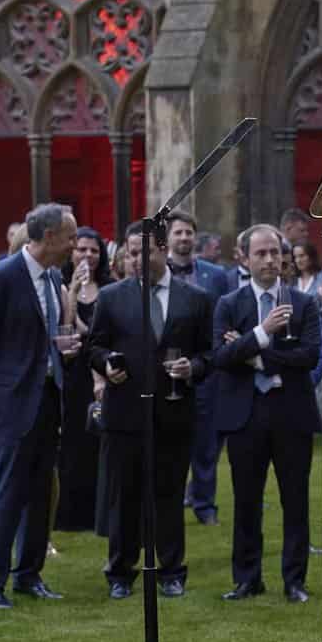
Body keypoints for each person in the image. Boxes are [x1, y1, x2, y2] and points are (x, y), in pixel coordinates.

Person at [0, 204, 78, 608]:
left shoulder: (52, 278)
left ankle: (29, 576)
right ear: (48, 238)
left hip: (47, 398)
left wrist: (61, 349)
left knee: (42, 491)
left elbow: (37, 337)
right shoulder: (2, 277)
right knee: (8, 493)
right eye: (70, 237)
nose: (74, 246)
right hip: (11, 404)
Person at [89, 227, 214, 599]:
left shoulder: (196, 299)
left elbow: (208, 354)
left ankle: (171, 571)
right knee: (123, 496)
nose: (135, 261)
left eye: (141, 254)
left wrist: (193, 367)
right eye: (129, 254)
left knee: (170, 496)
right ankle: (120, 573)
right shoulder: (112, 297)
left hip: (174, 412)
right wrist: (106, 364)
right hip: (125, 413)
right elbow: (95, 346)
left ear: (161, 250)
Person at [212, 225, 321, 602]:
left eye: (275, 252)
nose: (270, 260)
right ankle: (247, 577)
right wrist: (261, 332)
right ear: (243, 258)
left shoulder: (304, 303)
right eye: (260, 253)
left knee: (296, 499)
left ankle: (294, 580)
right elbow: (222, 358)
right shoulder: (229, 304)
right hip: (246, 413)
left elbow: (308, 357)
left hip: (292, 412)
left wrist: (255, 355)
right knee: (246, 499)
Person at [165, 209, 233, 528]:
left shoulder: (215, 276)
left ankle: (205, 504)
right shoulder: (156, 274)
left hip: (205, 367)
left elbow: (223, 318)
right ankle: (170, 498)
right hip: (165, 365)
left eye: (188, 232)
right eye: (178, 232)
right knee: (170, 439)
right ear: (167, 238)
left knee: (206, 442)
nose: (184, 238)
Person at [55, 225, 109, 533]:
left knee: (98, 442)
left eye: (94, 250)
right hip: (75, 371)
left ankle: (97, 512)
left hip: (102, 367)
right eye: (82, 249)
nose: (87, 255)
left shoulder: (109, 287)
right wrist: (74, 291)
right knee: (74, 439)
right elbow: (69, 328)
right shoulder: (62, 285)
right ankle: (69, 514)